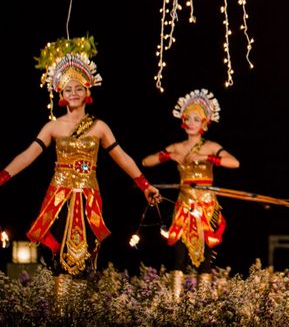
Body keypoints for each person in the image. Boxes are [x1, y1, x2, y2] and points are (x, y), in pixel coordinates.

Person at [0, 39, 160, 297]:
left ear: (87, 91)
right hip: (59, 197)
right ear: (60, 95)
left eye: (77, 88)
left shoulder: (99, 127)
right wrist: (3, 176)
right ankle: (60, 314)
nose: (73, 92)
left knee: (84, 257)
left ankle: (79, 315)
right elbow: (28, 155)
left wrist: (145, 185)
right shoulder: (53, 127)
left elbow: (123, 157)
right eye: (67, 89)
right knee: (59, 257)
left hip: (88, 198)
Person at [141, 88, 239, 297]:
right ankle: (175, 307)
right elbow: (145, 161)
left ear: (205, 122)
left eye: (197, 118)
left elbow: (235, 162)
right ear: (183, 120)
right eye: (189, 118)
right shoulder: (177, 147)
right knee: (178, 255)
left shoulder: (211, 146)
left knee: (205, 257)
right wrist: (168, 157)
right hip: (184, 206)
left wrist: (209, 159)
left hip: (206, 205)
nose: (192, 122)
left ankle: (202, 306)